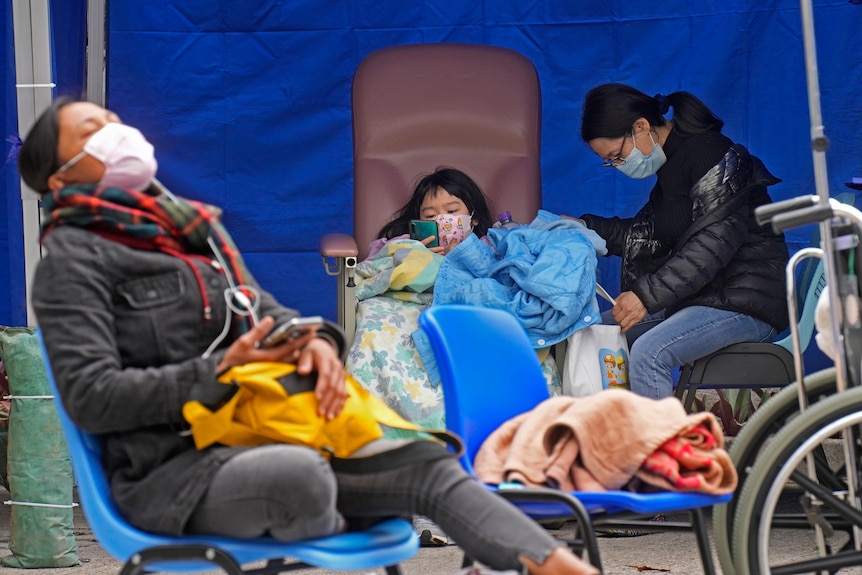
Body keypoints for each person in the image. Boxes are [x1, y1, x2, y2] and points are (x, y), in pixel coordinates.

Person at [19, 97, 597, 575]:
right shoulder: (73, 262)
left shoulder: (195, 233)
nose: (117, 132)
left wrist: (316, 342)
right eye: (93, 130)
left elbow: (274, 316)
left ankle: (560, 567)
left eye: (114, 121)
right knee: (304, 476)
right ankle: (363, 489)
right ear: (58, 175)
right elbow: (93, 398)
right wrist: (217, 374)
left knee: (427, 459)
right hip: (175, 472)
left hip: (267, 434)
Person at [576, 83, 789, 400]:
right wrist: (584, 226)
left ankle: (662, 450)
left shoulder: (712, 155)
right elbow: (650, 234)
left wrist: (645, 296)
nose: (618, 166)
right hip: (703, 295)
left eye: (616, 156)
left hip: (746, 302)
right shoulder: (671, 165)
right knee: (590, 334)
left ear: (641, 127)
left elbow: (710, 246)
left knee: (650, 354)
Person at [375, 166, 494, 256]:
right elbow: (373, 260)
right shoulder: (407, 243)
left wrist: (463, 256)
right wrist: (411, 254)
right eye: (430, 215)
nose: (441, 220)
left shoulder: (487, 245)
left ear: (474, 218)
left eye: (451, 211)